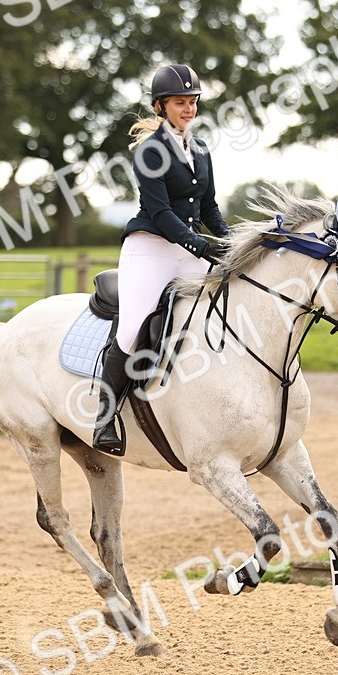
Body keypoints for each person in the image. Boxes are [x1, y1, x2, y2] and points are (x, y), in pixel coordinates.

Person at [92, 63, 233, 456]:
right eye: (179, 103)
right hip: (150, 247)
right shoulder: (150, 151)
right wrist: (200, 246)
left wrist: (230, 241)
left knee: (224, 306)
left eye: (192, 102)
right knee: (132, 327)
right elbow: (160, 213)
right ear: (161, 107)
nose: (187, 109)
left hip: (188, 247)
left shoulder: (201, 149)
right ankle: (104, 416)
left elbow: (210, 208)